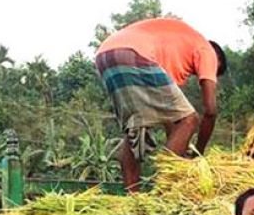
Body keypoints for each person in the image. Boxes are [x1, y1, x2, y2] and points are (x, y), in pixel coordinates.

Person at [95, 16, 227, 191]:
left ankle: (133, 200)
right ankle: (164, 191)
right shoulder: (207, 50)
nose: (204, 75)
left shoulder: (175, 51)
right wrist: (198, 154)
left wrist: (183, 150)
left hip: (106, 56)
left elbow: (172, 121)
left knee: (137, 128)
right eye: (214, 72)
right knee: (190, 119)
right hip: (134, 53)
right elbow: (210, 111)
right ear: (216, 59)